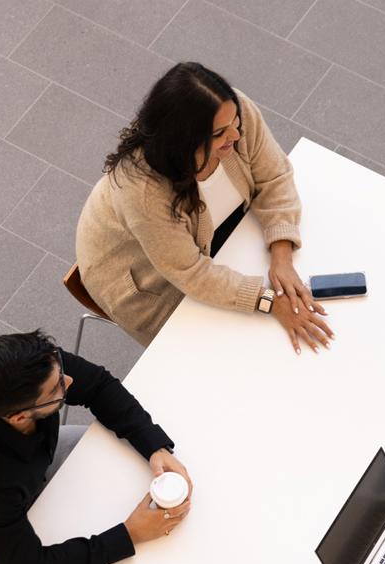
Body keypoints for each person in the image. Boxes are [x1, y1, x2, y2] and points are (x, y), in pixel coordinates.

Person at [75, 61, 333, 354]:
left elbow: (274, 176)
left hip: (210, 241)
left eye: (235, 123)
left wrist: (282, 256)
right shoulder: (143, 193)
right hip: (150, 284)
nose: (236, 135)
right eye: (220, 133)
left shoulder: (231, 113)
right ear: (184, 142)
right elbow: (191, 273)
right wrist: (269, 301)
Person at [0, 331, 192, 564]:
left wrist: (154, 446)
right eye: (57, 389)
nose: (69, 380)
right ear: (19, 418)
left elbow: (97, 385)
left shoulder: (32, 368)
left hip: (37, 462)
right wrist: (130, 534)